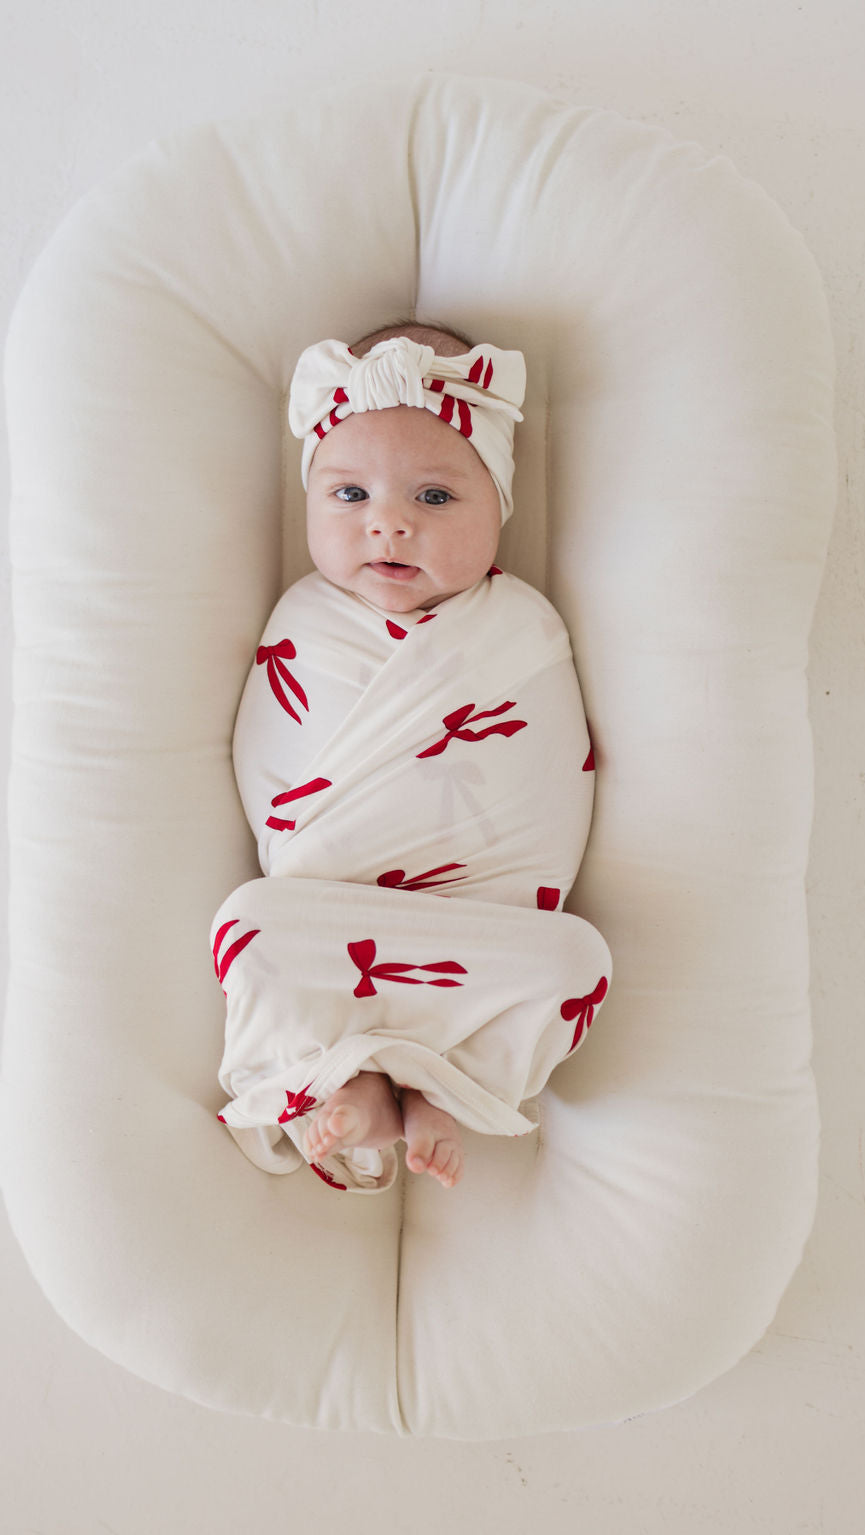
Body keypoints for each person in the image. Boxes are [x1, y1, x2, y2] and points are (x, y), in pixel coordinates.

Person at [212, 321, 610, 1192]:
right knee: (251, 922)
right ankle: (374, 1083)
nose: (387, 523)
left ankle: (436, 1083)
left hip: (485, 920)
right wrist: (322, 854)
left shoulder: (524, 631)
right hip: (330, 912)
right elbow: (274, 782)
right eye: (349, 495)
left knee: (577, 961)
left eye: (433, 499)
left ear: (498, 501)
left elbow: (548, 770)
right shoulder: (302, 622)